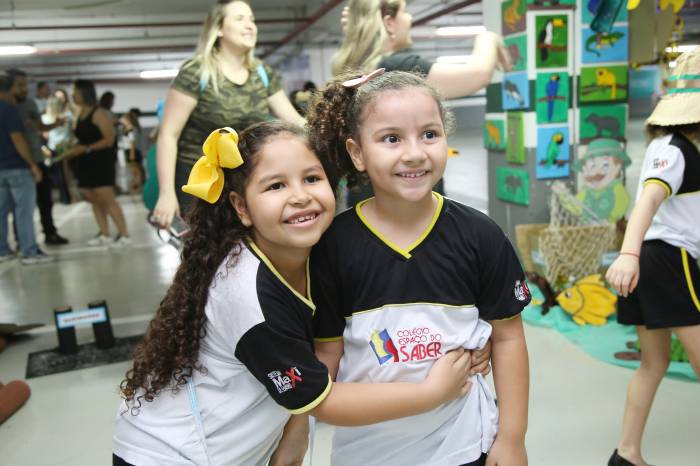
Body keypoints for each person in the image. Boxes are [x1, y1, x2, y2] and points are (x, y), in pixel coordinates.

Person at [113, 121, 478, 466]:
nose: (300, 196)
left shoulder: (314, 253)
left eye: (312, 178)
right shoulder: (249, 297)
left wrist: (471, 340)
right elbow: (323, 400)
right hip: (173, 455)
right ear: (242, 207)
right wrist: (432, 393)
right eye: (276, 186)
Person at [307, 70, 530, 466]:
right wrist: (296, 433)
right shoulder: (332, 247)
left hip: (465, 444)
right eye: (391, 138)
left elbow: (509, 338)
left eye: (429, 134)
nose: (414, 153)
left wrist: (512, 439)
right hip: (368, 453)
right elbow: (327, 355)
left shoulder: (481, 236)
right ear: (357, 153)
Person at [605, 48, 700, 466]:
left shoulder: (672, 146)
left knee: (654, 362)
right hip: (665, 260)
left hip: (652, 260)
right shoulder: (676, 151)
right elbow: (648, 200)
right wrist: (629, 254)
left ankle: (626, 454)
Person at [334, 0, 512, 205]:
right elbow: (478, 75)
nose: (409, 18)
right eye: (405, 12)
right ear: (389, 23)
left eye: (429, 135)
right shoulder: (396, 66)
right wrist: (488, 38)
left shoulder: (359, 72)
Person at [152, 0, 305, 229]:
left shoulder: (261, 73)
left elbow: (294, 122)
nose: (250, 25)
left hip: (244, 177)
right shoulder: (197, 72)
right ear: (219, 29)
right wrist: (166, 194)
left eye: (252, 20)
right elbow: (168, 134)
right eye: (240, 18)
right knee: (207, 246)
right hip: (201, 182)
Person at [63, 79, 131, 247]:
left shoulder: (98, 113)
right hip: (84, 161)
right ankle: (104, 233)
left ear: (85, 93)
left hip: (100, 162)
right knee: (92, 197)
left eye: (75, 92)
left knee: (107, 198)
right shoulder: (79, 114)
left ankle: (124, 234)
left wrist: (87, 148)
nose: (72, 95)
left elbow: (109, 139)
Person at [7, 69, 69, 245]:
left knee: (45, 200)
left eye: (25, 84)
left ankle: (50, 232)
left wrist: (54, 124)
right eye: (19, 85)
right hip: (18, 162)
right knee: (19, 205)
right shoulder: (8, 107)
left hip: (37, 158)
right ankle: (22, 240)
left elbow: (39, 127)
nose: (24, 89)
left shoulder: (30, 104)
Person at [0, 72, 53, 265]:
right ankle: (29, 251)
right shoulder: (9, 110)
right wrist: (32, 164)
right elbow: (17, 139)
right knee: (23, 212)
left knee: (1, 211)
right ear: (9, 89)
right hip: (17, 167)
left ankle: (2, 250)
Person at [118, 108, 144, 194]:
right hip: (129, 151)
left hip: (131, 151)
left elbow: (132, 142)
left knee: (135, 171)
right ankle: (135, 186)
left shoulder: (131, 129)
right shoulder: (126, 129)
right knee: (133, 170)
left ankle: (136, 187)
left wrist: (132, 154)